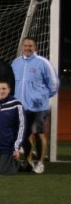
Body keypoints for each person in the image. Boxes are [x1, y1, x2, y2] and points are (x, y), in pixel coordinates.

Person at [11, 37, 59, 173]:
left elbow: (54, 84)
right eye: (25, 45)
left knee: (39, 134)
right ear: (22, 47)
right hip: (21, 107)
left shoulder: (43, 63)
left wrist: (41, 97)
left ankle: (41, 162)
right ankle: (28, 161)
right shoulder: (15, 63)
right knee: (23, 135)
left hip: (38, 107)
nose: (27, 48)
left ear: (35, 47)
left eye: (30, 46)